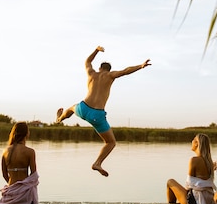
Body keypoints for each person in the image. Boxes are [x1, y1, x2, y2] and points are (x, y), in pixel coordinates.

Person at [56, 45, 151, 177]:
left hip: (83, 108)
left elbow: (87, 62)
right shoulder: (110, 75)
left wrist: (96, 50)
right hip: (96, 115)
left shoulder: (92, 74)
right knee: (111, 142)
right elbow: (125, 71)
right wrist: (140, 66)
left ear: (100, 68)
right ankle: (97, 163)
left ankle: (60, 119)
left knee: (72, 108)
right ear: (108, 70)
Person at [166, 133, 217, 204]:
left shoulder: (194, 160)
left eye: (193, 140)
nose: (192, 141)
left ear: (197, 143)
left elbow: (189, 184)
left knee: (170, 181)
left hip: (195, 202)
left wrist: (181, 194)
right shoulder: (209, 162)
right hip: (208, 200)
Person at [0, 122, 39, 204]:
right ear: (26, 133)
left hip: (10, 194)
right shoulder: (30, 151)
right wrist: (22, 187)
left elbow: (4, 174)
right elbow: (34, 175)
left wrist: (14, 187)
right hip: (25, 194)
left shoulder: (5, 151)